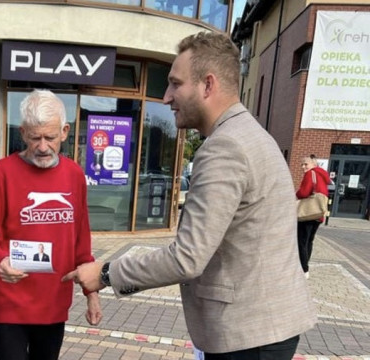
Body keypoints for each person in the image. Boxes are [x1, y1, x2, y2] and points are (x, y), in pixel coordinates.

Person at [63, 32, 316, 360]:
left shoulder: (226, 147)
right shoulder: (251, 134)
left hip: (247, 337)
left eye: (175, 83)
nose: (166, 96)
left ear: (207, 85)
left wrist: (106, 273)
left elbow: (187, 257)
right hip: (266, 329)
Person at [0, 89, 102, 360]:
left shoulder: (74, 175)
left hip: (54, 300)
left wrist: (91, 293)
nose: (43, 147)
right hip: (11, 300)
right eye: (35, 138)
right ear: (22, 133)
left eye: (50, 137)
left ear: (65, 132)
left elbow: (81, 240)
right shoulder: (1, 172)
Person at [296, 154, 330, 279]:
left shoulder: (310, 174)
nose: (303, 166)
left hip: (307, 214)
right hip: (318, 214)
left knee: (301, 241)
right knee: (309, 241)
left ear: (313, 164)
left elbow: (304, 192)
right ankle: (305, 267)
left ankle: (303, 269)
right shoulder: (322, 176)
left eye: (306, 164)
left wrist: (296, 193)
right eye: (302, 164)